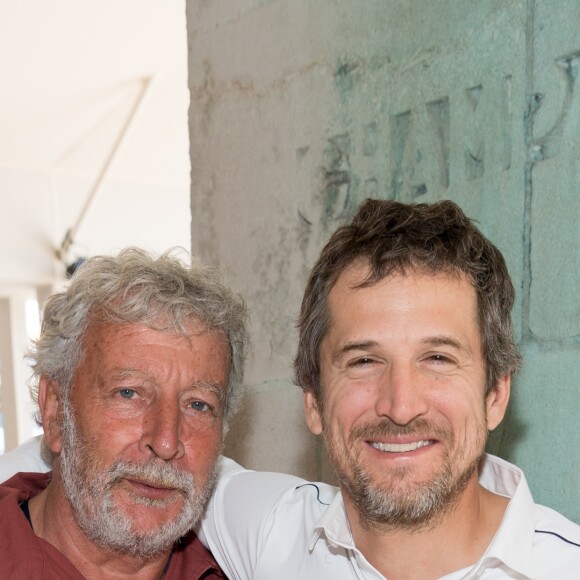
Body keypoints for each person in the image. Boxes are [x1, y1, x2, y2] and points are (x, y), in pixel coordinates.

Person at [3, 201, 580, 579]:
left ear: (496, 392)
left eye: (437, 358)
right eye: (362, 360)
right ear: (312, 402)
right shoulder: (273, 531)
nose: (401, 405)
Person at [0, 248, 247, 579]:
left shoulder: (244, 567)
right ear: (56, 411)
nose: (165, 442)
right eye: (129, 393)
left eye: (198, 405)